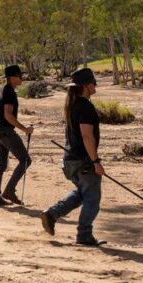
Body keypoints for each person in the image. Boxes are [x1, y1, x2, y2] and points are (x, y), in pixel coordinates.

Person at [40, 68, 106, 246]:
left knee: (82, 193)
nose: (95, 85)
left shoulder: (73, 106)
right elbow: (87, 137)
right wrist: (95, 162)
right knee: (92, 198)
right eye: (93, 82)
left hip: (70, 160)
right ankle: (84, 234)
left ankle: (52, 214)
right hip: (83, 161)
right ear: (85, 86)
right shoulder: (85, 107)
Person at [0, 65, 33, 207]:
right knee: (25, 160)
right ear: (12, 77)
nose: (21, 78)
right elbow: (7, 114)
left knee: (1, 165)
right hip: (6, 132)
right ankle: (9, 190)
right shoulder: (9, 92)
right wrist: (24, 129)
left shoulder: (3, 90)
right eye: (19, 75)